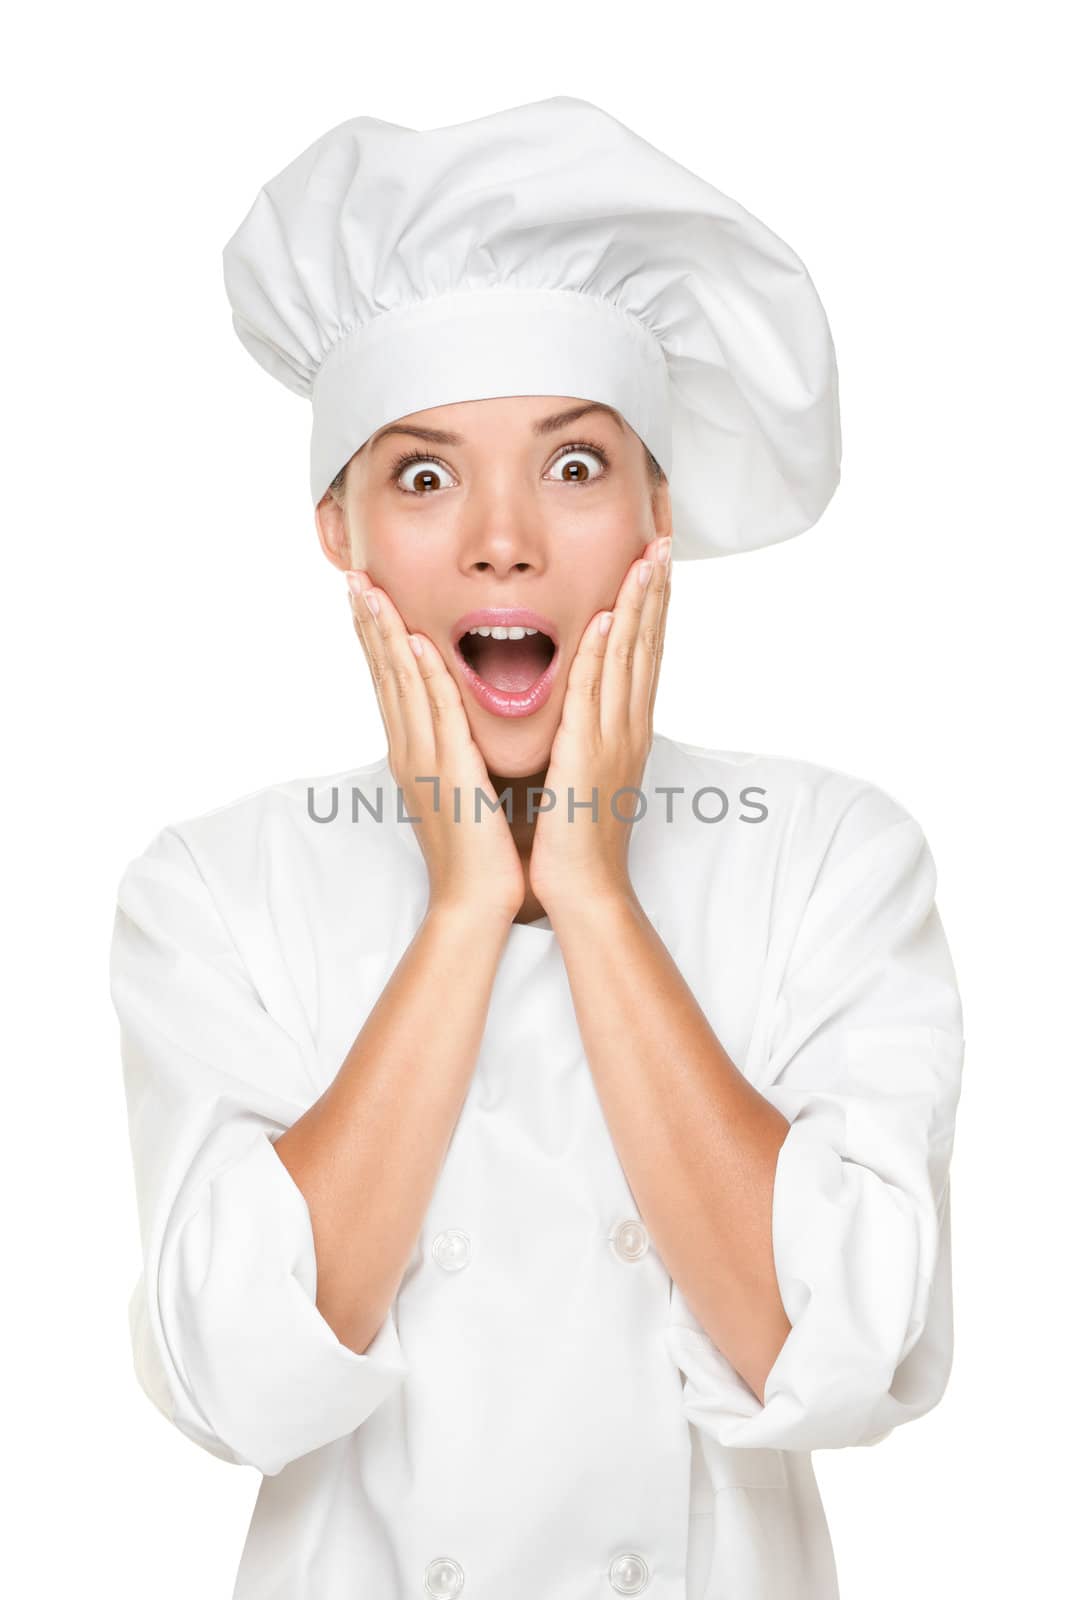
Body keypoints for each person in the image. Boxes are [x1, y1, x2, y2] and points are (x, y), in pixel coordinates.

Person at [109, 97, 966, 1600]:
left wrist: (590, 891)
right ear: (342, 533)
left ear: (657, 515)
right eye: (424, 477)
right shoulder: (213, 891)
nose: (502, 540)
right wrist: (460, 919)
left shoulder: (834, 857)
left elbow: (837, 1343)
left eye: (574, 468)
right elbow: (236, 1379)